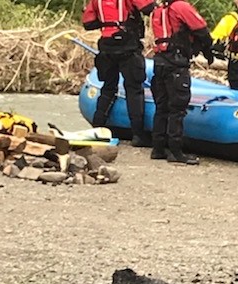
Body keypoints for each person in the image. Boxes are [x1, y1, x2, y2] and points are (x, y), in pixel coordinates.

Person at [82, 0, 156, 147]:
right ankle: (138, 135)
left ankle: (97, 128)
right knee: (134, 89)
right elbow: (149, 8)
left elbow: (88, 23)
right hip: (127, 46)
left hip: (107, 45)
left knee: (108, 87)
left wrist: (108, 23)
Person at [150, 0, 214, 164]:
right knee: (177, 108)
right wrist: (208, 52)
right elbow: (201, 30)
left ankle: (158, 148)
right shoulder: (180, 7)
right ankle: (176, 151)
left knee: (161, 107)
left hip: (160, 62)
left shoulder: (158, 10)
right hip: (176, 64)